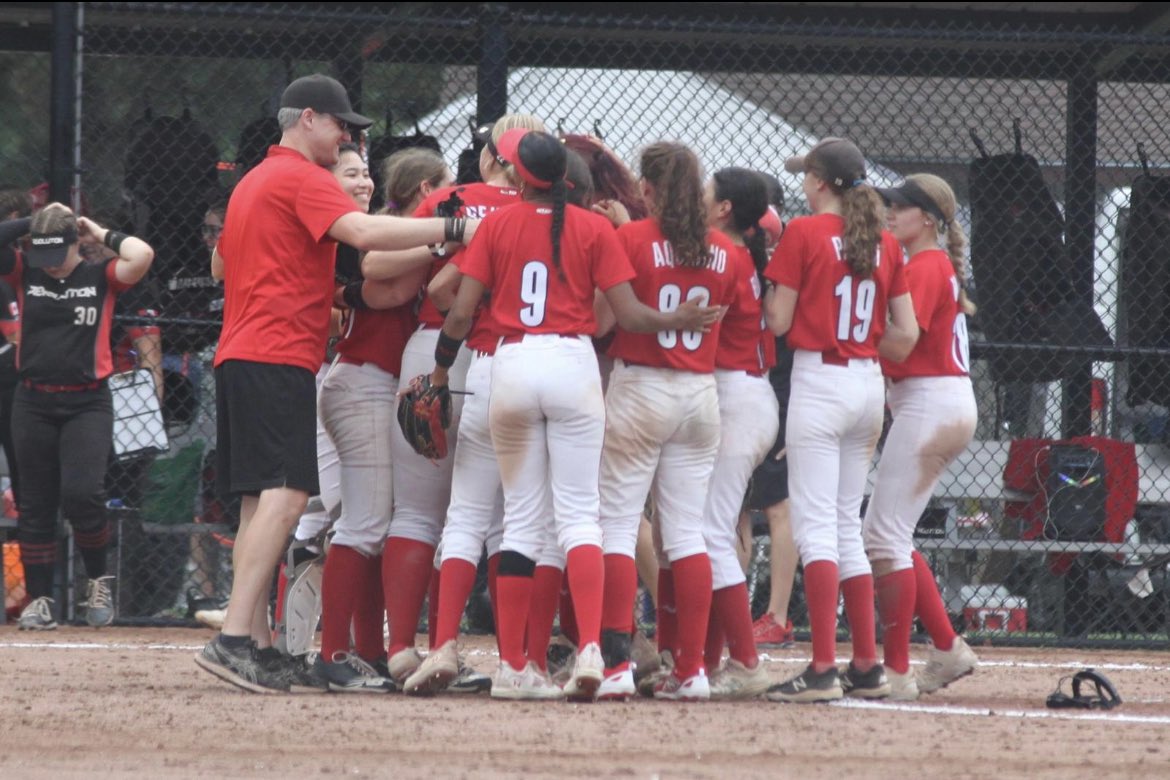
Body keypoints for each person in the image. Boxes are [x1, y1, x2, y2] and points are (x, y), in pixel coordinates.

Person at [195, 72, 479, 695]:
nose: (348, 137)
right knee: (291, 495)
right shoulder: (298, 176)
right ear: (307, 120)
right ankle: (235, 639)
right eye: (341, 125)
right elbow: (366, 233)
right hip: (275, 354)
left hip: (245, 352)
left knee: (257, 504)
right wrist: (452, 231)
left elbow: (221, 263)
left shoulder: (255, 180)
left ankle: (260, 643)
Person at [425, 129, 720, 701]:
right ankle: (589, 648)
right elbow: (630, 317)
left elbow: (459, 312)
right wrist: (677, 317)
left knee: (521, 524)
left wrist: (440, 372)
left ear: (520, 176)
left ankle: (515, 667)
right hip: (572, 363)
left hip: (511, 362)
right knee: (581, 517)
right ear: (564, 176)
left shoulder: (498, 225)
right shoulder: (592, 226)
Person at [365, 116, 541, 686]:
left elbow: (378, 274)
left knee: (418, 512)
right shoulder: (554, 210)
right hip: (512, 360)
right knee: (495, 519)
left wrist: (445, 234)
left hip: (435, 348)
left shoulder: (451, 198)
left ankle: (402, 649)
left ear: (489, 157)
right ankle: (512, 656)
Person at [762, 137, 919, 703]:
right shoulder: (882, 240)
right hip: (866, 381)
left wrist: (763, 295)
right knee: (845, 524)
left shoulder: (803, 232)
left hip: (820, 379)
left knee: (814, 528)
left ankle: (824, 667)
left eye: (808, 175)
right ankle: (867, 665)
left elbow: (778, 323)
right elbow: (906, 335)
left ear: (822, 182)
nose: (804, 182)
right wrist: (865, 339)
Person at [595, 142, 739, 702]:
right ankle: (693, 670)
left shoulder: (628, 237)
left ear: (648, 189)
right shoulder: (725, 250)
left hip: (641, 384)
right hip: (700, 393)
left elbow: (603, 319)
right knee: (687, 535)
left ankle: (615, 667)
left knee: (617, 524)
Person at [0, 203, 155, 630]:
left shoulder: (98, 276)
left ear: (76, 244)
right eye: (41, 253)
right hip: (32, 402)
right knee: (35, 503)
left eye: (57, 253)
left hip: (87, 402)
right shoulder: (25, 270)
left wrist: (97, 231)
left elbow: (141, 255)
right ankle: (41, 598)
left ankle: (96, 580)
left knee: (82, 493)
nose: (49, 266)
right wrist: (37, 224)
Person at [866, 173, 980, 700]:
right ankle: (945, 646)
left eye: (902, 206)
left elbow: (901, 344)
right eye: (889, 204)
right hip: (936, 400)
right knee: (890, 534)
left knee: (884, 536)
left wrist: (847, 335)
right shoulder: (929, 263)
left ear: (929, 219)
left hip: (931, 401)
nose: (891, 212)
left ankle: (896, 669)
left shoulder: (926, 265)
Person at [698, 167, 778, 699]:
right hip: (745, 395)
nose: (702, 199)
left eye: (709, 193)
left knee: (708, 534)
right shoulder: (740, 250)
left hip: (737, 398)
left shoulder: (720, 250)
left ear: (725, 208)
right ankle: (701, 664)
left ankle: (746, 660)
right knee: (707, 532)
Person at [748, 174, 800, 650]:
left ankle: (778, 613)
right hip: (746, 385)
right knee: (733, 509)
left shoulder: (792, 255)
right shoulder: (737, 252)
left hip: (782, 387)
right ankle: (734, 613)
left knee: (778, 505)